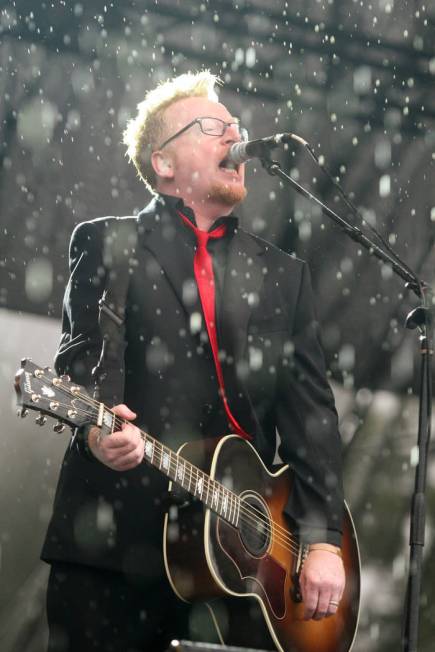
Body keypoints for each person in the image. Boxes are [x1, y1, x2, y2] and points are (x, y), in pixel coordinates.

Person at [42, 71, 345, 652]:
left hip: (236, 572)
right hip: (112, 547)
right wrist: (95, 431)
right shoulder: (110, 243)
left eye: (236, 126)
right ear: (164, 163)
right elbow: (81, 365)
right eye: (213, 127)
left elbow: (313, 420)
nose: (235, 136)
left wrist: (321, 540)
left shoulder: (283, 275)